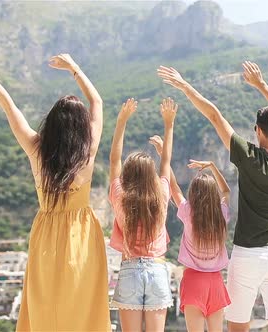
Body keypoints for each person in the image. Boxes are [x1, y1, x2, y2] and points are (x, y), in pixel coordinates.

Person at [0, 54, 110, 331]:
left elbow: (9, 107)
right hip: (82, 234)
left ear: (52, 123)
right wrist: (74, 68)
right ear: (81, 127)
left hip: (46, 233)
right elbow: (97, 102)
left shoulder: (37, 150)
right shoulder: (88, 152)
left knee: (45, 303)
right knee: (82, 303)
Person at [158, 61, 268, 332]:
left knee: (237, 326)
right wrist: (262, 85)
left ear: (257, 130)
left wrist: (184, 85)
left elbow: (214, 115)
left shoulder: (248, 156)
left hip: (248, 255)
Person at [108, 97, 177, 332]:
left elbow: (114, 159)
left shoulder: (120, 197)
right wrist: (169, 124)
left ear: (128, 175)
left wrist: (121, 121)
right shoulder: (161, 196)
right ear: (152, 177)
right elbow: (166, 160)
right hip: (157, 270)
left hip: (129, 272)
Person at [149, 135, 231, 332]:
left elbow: (174, 188)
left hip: (193, 281)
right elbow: (227, 192)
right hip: (216, 281)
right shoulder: (222, 214)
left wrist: (163, 155)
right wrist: (213, 167)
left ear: (193, 193)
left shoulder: (188, 212)